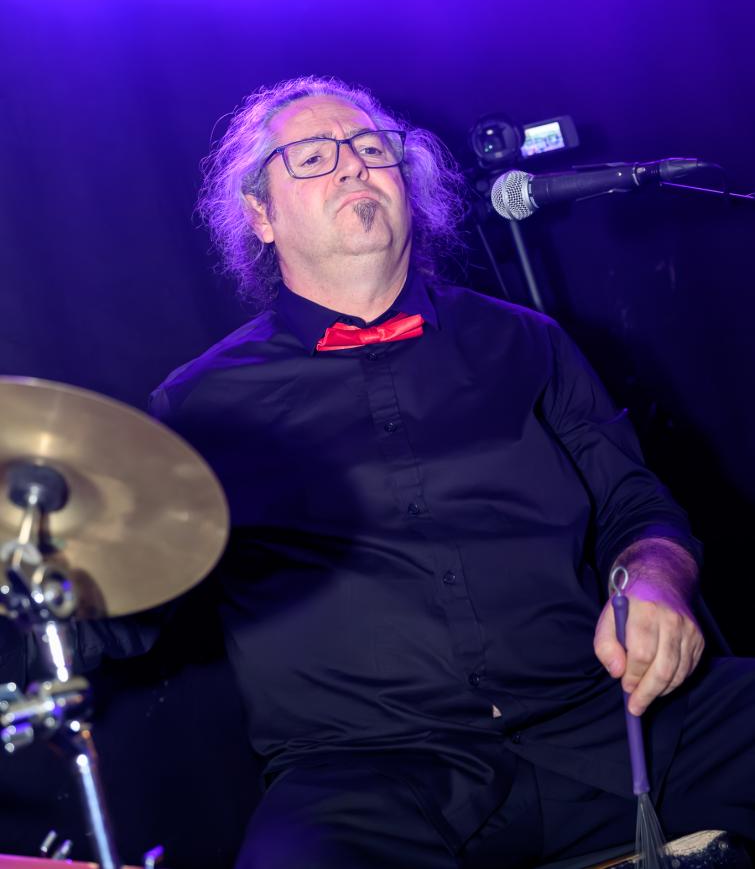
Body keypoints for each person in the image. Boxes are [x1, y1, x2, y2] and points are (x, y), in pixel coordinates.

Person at [148, 76, 753, 868]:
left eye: (372, 148)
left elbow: (635, 507)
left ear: (410, 184)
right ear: (260, 214)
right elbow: (131, 584)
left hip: (607, 720)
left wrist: (654, 582)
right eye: (313, 156)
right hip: (370, 774)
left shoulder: (528, 341)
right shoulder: (201, 402)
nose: (353, 165)